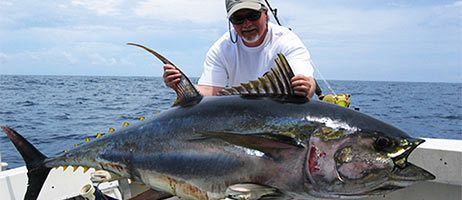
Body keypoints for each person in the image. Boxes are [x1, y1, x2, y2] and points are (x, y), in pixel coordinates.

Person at [163, 0, 316, 98]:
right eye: (238, 19)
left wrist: (307, 87)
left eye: (253, 15)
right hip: (243, 123)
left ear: (266, 14)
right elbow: (210, 91)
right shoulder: (221, 48)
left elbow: (307, 85)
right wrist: (180, 86)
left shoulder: (287, 41)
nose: (247, 24)